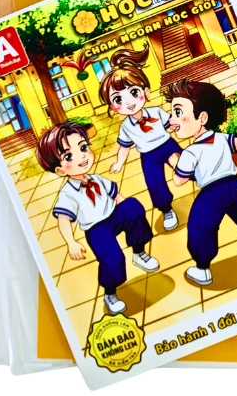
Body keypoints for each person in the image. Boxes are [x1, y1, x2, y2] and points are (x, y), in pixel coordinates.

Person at [39, 121, 159, 315]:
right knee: (113, 259)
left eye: (83, 148)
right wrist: (71, 242)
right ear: (60, 170)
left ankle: (139, 253)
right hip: (96, 230)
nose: (82, 156)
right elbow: (63, 219)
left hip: (113, 215)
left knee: (133, 206)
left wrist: (126, 209)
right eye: (69, 156)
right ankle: (110, 294)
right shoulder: (68, 194)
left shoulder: (96, 179)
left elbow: (115, 195)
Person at [165, 78, 237, 286]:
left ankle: (202, 269)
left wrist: (175, 164)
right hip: (234, 186)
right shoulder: (222, 138)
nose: (172, 120)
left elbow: (179, 181)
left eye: (177, 112)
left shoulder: (190, 152)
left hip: (212, 194)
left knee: (200, 227)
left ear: (202, 117)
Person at [100, 44, 181, 231]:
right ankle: (167, 210)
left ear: (145, 92)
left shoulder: (156, 112)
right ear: (112, 107)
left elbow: (172, 124)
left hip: (168, 145)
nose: (128, 102)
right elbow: (124, 147)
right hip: (148, 155)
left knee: (186, 166)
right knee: (154, 183)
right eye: (118, 99)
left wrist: (183, 126)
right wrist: (119, 163)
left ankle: (209, 182)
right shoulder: (125, 127)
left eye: (133, 92)